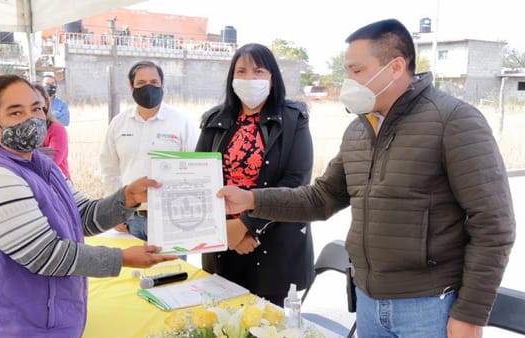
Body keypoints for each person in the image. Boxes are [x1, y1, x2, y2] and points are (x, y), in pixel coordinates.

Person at [216, 19, 515, 337]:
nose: (348, 81)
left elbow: (494, 225)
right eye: (347, 71)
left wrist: (470, 313)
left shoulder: (453, 121)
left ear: (396, 67)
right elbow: (321, 198)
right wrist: (252, 199)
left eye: (357, 71)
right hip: (368, 304)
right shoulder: (358, 130)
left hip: (429, 307)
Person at [0, 74, 176, 337]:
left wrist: (128, 197)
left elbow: (82, 216)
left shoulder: (42, 165)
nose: (31, 119)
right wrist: (123, 258)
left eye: (36, 108)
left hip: (47, 320)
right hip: (6, 325)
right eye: (16, 112)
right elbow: (45, 254)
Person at [196, 43, 315, 307]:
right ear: (232, 78)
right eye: (241, 71)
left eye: (259, 71)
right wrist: (226, 230)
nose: (250, 79)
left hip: (276, 246)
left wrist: (245, 227)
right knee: (221, 327)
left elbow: (295, 183)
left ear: (273, 77)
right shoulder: (214, 120)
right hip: (223, 243)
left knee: (268, 327)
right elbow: (199, 179)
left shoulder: (294, 119)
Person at [99, 60, 198, 240]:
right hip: (130, 219)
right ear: (131, 87)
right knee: (133, 269)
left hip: (171, 218)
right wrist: (113, 210)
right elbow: (109, 170)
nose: (148, 87)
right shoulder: (118, 124)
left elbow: (195, 170)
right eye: (141, 83)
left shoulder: (181, 123)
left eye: (154, 82)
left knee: (173, 269)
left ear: (162, 85)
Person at [34, 84, 71, 180]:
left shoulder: (57, 129)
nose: (32, 102)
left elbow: (51, 163)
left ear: (46, 103)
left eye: (36, 98)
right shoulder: (22, 130)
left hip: (58, 184)